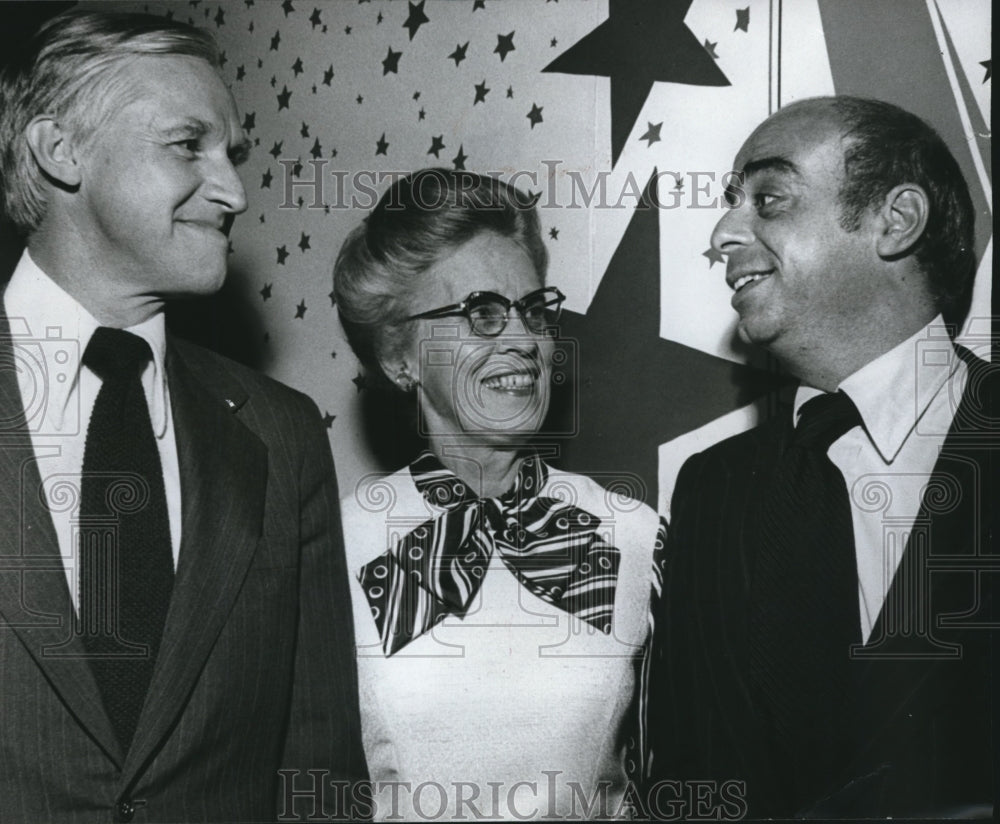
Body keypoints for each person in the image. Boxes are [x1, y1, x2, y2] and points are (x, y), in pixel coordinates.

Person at [0, 10, 366, 821]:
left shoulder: (281, 433)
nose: (234, 191)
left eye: (231, 154)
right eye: (185, 144)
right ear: (61, 153)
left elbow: (319, 764)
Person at [645, 96, 995, 819]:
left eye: (769, 198)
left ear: (895, 222)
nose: (721, 233)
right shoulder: (709, 490)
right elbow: (690, 776)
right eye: (729, 202)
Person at [334, 168, 662, 820]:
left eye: (533, 311)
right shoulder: (330, 546)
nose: (521, 341)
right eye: (480, 314)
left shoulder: (634, 533)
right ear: (399, 357)